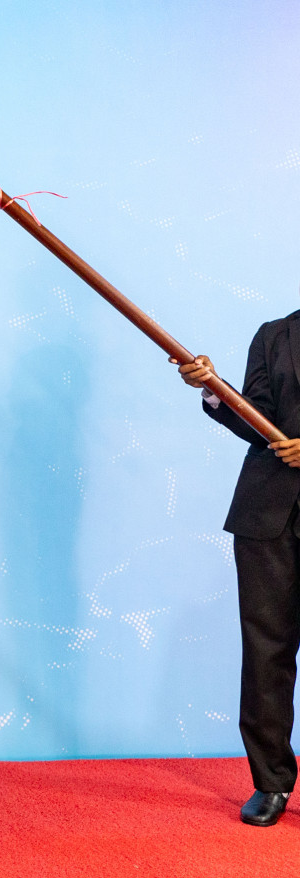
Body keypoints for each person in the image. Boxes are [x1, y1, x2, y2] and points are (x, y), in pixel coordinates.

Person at [178, 314, 300, 827]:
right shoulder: (275, 334)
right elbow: (256, 422)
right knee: (266, 651)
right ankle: (271, 782)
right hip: (267, 517)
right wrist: (214, 389)